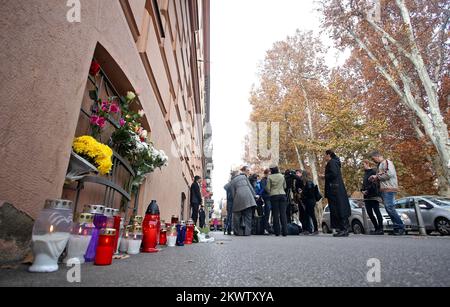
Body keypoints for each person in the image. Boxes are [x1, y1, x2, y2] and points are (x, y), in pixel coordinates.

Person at [369, 151, 405, 236]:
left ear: (377, 156)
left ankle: (400, 227)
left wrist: (376, 176)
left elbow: (389, 173)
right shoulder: (380, 165)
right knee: (389, 208)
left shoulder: (387, 162)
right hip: (385, 189)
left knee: (390, 208)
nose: (374, 161)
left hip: (389, 188)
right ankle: (397, 227)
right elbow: (382, 176)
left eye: (374, 159)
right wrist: (375, 179)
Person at [323, 150, 351, 237]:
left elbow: (333, 174)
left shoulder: (331, 162)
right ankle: (343, 228)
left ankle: (343, 229)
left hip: (334, 189)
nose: (325, 157)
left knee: (337, 208)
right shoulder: (336, 162)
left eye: (325, 155)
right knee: (340, 207)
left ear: (329, 155)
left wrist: (324, 176)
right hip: (337, 188)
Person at [230, 166, 257, 236]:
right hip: (248, 198)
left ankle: (237, 232)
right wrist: (254, 195)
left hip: (238, 198)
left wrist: (235, 201)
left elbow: (233, 194)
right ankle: (247, 232)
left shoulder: (232, 182)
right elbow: (250, 187)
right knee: (248, 216)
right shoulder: (244, 177)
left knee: (237, 216)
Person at [361, 160, 384, 235]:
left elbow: (375, 183)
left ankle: (381, 229)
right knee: (370, 213)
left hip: (374, 195)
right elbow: (364, 184)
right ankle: (376, 228)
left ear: (367, 164)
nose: (362, 166)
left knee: (377, 211)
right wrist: (362, 190)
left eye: (363, 164)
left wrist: (367, 190)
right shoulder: (365, 173)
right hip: (367, 196)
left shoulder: (374, 171)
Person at [266, 165, 288, 237]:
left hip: (274, 195)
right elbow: (285, 186)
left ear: (271, 170)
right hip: (282, 194)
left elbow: (267, 188)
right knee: (283, 213)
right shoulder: (282, 176)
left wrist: (270, 192)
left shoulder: (270, 177)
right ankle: (285, 231)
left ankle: (277, 232)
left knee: (275, 214)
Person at [300, 170, 319, 235]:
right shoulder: (309, 182)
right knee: (307, 215)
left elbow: (310, 193)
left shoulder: (309, 183)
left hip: (310, 201)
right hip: (310, 201)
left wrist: (303, 194)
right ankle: (308, 230)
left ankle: (315, 230)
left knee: (312, 215)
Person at [224, 169, 239, 235]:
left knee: (229, 216)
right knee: (231, 216)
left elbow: (225, 187)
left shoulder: (230, 183)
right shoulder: (233, 183)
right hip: (232, 201)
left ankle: (228, 229)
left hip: (230, 201)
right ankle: (230, 229)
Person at [258, 169, 272, 235]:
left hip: (271, 198)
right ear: (266, 174)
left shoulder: (269, 180)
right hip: (267, 198)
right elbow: (264, 188)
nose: (270, 175)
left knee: (272, 214)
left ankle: (270, 228)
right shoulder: (263, 180)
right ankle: (265, 228)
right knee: (267, 213)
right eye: (269, 174)